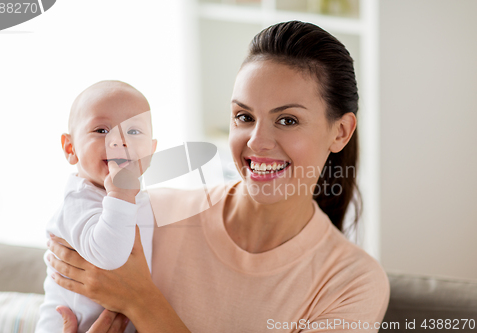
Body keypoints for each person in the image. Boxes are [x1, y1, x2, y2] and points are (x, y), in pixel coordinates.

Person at [47, 21, 390, 332]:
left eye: (287, 120)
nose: (257, 141)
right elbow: (65, 300)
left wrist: (141, 301)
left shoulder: (351, 283)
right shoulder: (145, 215)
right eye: (243, 116)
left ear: (340, 132)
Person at [36, 81, 157, 333]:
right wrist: (121, 195)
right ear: (71, 149)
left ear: (151, 152)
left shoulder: (140, 199)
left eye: (134, 131)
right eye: (102, 130)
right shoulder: (79, 200)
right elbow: (110, 257)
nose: (119, 140)